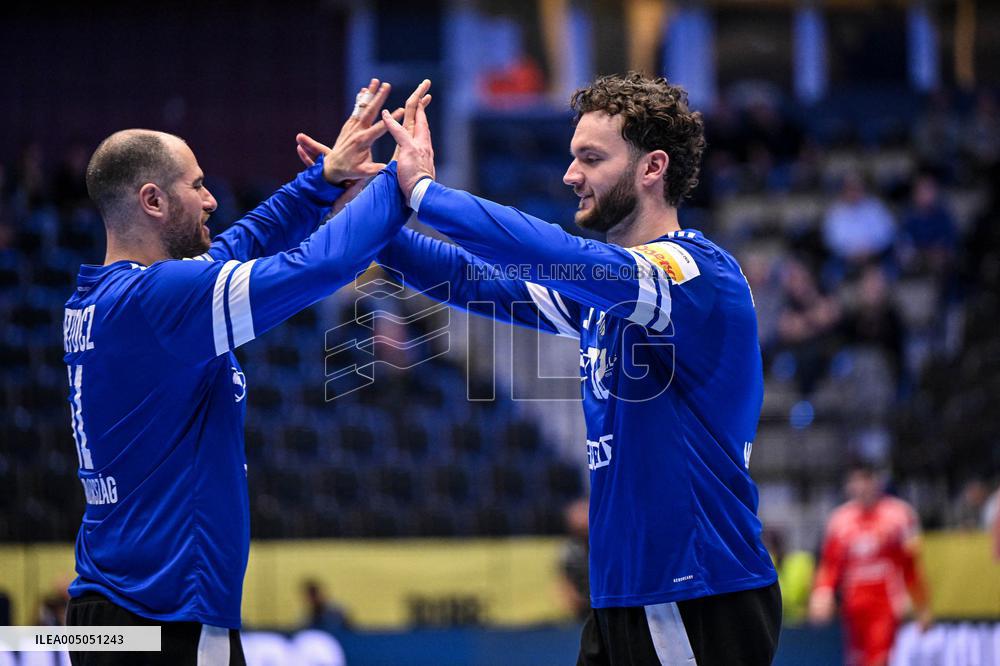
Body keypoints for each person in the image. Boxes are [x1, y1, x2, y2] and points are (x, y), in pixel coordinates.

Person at [372, 72, 782, 664]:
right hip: (626, 593)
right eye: (572, 158)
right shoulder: (611, 295)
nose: (570, 176)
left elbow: (551, 253)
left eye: (591, 158)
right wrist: (367, 217)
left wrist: (428, 194)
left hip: (693, 591)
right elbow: (469, 279)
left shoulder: (693, 274)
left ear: (651, 168)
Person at [62, 78, 431, 665]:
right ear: (154, 201)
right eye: (199, 185)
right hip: (165, 617)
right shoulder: (159, 300)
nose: (211, 200)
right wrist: (402, 184)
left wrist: (325, 178)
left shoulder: (106, 299)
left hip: (112, 614)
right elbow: (322, 265)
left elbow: (240, 243)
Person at [809, 463, 931, 666]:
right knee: (857, 659)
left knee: (880, 658)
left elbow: (910, 565)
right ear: (849, 486)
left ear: (876, 482)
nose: (861, 487)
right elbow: (830, 564)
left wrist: (922, 605)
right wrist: (822, 592)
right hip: (854, 605)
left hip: (887, 603)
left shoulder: (900, 515)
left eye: (866, 480)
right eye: (856, 481)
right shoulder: (839, 520)